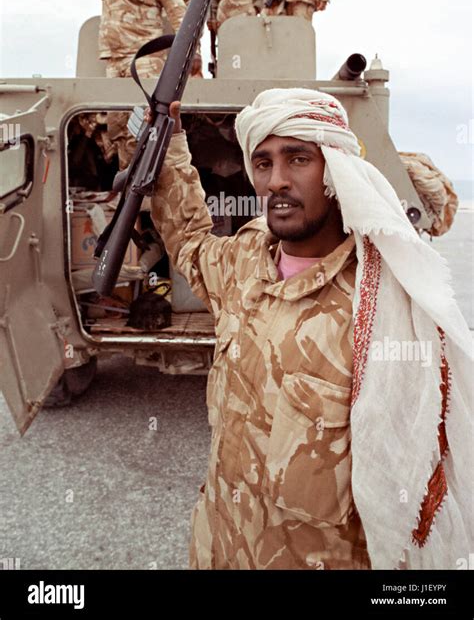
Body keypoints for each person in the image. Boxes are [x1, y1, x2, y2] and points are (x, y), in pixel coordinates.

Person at [149, 90, 472, 570]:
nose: (277, 180)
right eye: (262, 163)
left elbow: (410, 496)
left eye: (298, 158)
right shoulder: (245, 260)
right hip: (220, 548)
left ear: (335, 170)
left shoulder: (383, 305)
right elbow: (191, 244)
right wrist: (167, 143)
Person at [55, 0, 186, 168]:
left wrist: (190, 53)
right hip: (114, 63)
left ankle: (158, 195)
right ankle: (132, 196)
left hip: (146, 60)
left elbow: (178, 10)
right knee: (118, 131)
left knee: (150, 128)